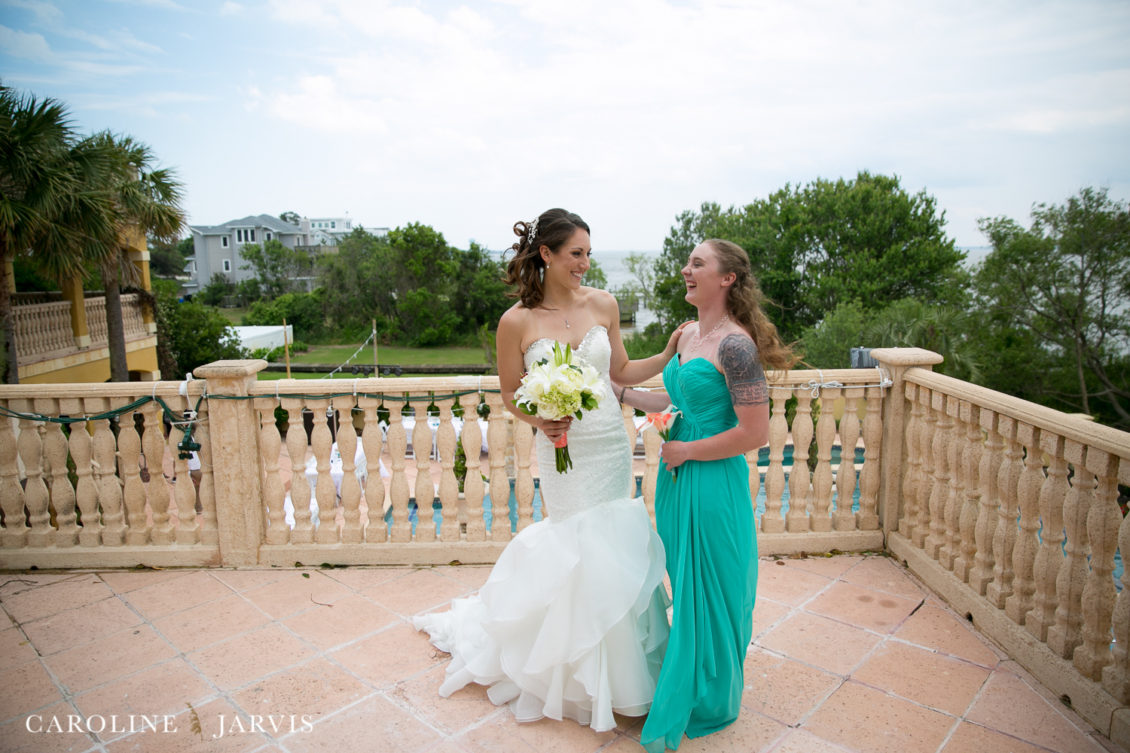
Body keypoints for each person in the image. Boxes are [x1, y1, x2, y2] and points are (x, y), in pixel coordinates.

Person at [414, 208, 686, 732]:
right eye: (575, 254)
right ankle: (571, 671)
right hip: (560, 447)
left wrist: (669, 354)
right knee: (574, 541)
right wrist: (542, 419)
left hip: (608, 443)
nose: (585, 263)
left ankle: (624, 672)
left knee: (613, 538)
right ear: (547, 254)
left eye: (588, 253)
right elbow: (511, 393)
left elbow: (621, 372)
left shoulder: (604, 304)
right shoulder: (516, 321)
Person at [615, 239, 797, 751]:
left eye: (698, 263)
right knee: (685, 583)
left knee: (715, 588)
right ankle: (690, 674)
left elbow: (755, 433)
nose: (686, 270)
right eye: (688, 262)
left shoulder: (736, 346)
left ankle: (712, 696)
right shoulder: (689, 333)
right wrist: (619, 392)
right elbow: (676, 397)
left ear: (727, 278)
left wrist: (688, 450)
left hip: (713, 482)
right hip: (677, 482)